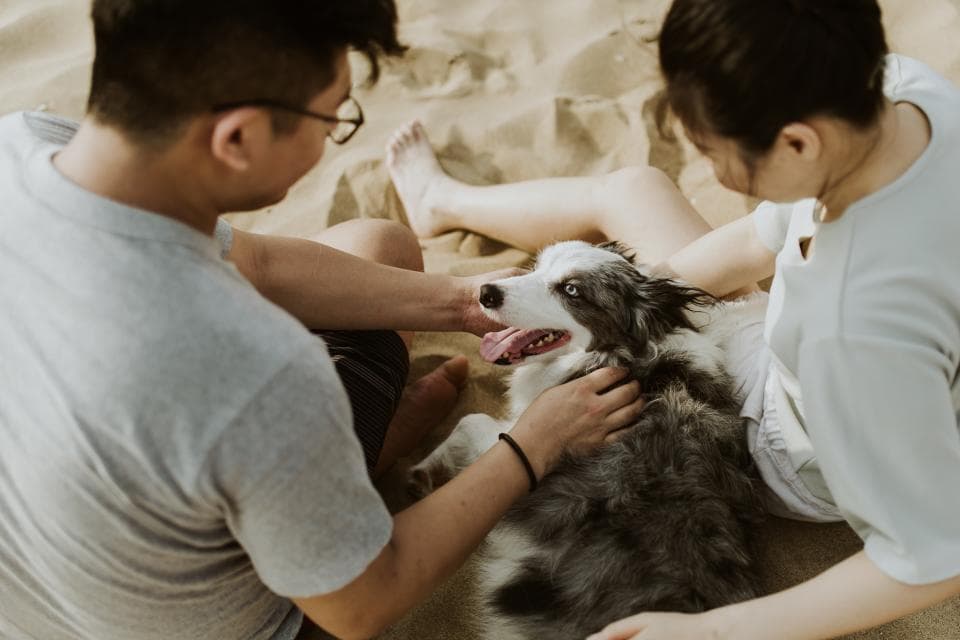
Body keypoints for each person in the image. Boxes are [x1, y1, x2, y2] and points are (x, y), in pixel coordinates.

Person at [0, 2, 647, 639]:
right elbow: (360, 606)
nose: (335, 129)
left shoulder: (20, 143)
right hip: (272, 615)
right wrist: (534, 442)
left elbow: (255, 262)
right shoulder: (260, 365)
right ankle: (349, 474)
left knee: (377, 248)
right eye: (332, 115)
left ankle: (322, 476)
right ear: (239, 137)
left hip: (45, 593)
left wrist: (459, 300)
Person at [385, 1, 960, 638]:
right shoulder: (904, 93)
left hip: (794, 437)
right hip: (837, 336)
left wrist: (709, 632)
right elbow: (754, 239)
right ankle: (442, 203)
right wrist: (628, 300)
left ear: (799, 140)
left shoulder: (846, 332)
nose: (714, 172)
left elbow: (925, 558)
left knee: (629, 196)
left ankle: (445, 201)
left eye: (716, 154)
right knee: (638, 191)